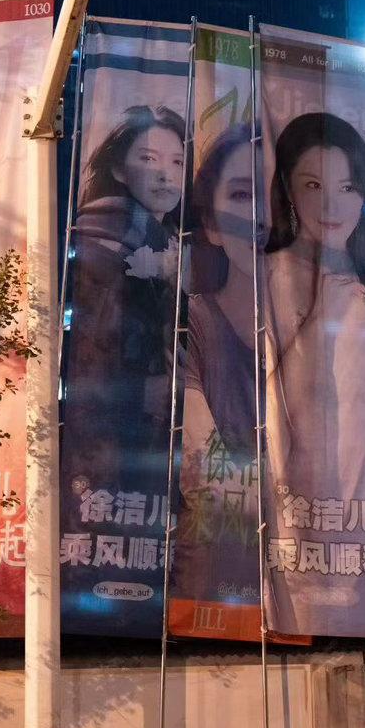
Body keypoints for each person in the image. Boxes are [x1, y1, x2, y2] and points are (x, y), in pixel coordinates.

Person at [262, 111, 365, 634]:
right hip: (298, 504)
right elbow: (267, 400)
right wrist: (320, 322)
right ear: (288, 192)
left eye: (347, 187)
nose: (333, 205)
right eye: (313, 185)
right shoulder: (271, 275)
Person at [62, 105, 186, 498]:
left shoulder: (171, 245)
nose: (166, 174)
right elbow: (86, 359)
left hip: (154, 444)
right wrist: (144, 390)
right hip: (110, 451)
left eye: (178, 162)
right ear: (118, 169)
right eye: (148, 159)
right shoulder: (101, 243)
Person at [171, 124, 261, 629]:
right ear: (210, 223)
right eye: (242, 195)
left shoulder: (343, 329)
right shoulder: (191, 323)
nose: (261, 216)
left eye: (277, 198)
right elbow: (205, 471)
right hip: (215, 588)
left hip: (326, 587)